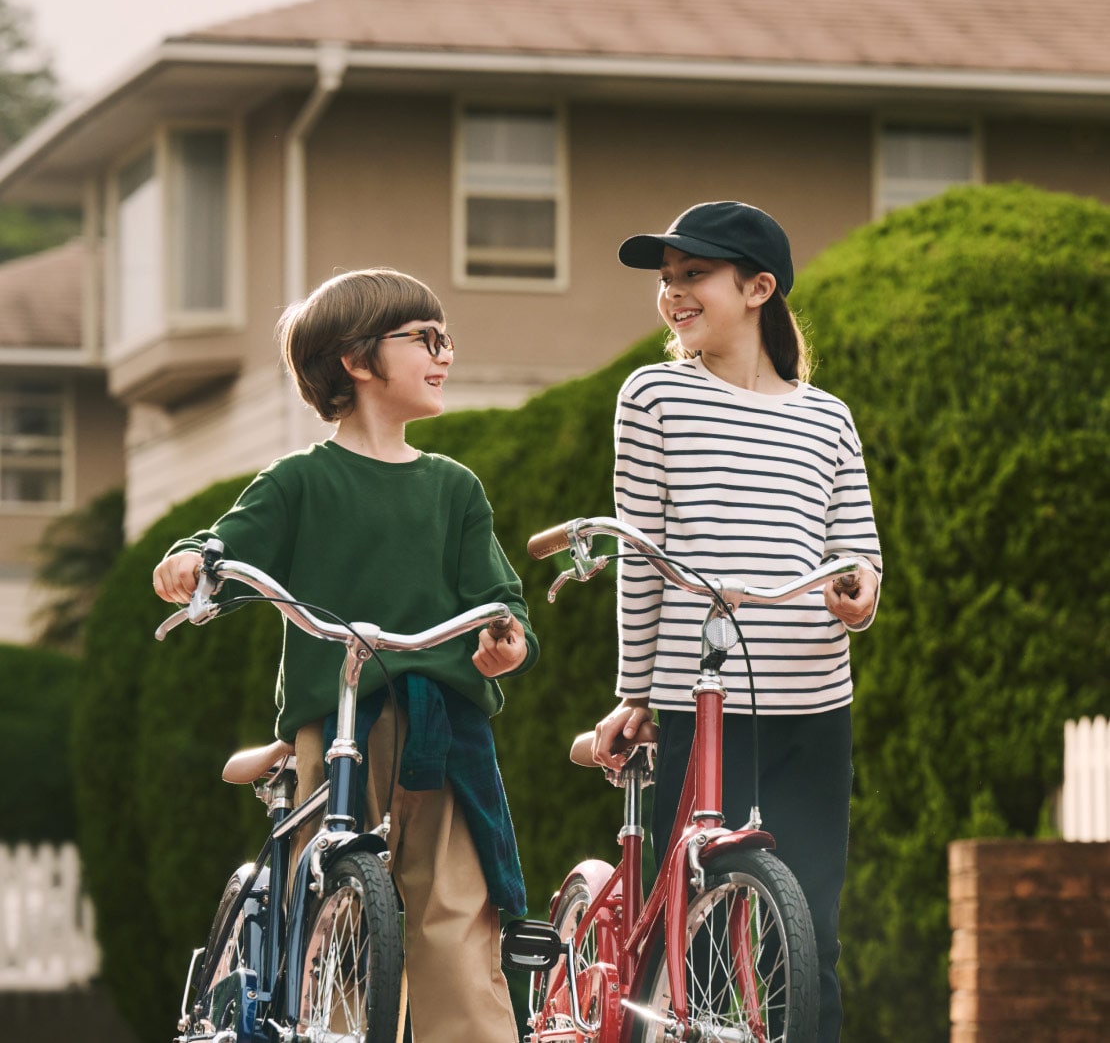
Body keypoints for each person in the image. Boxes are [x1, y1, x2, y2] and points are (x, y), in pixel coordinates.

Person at [152, 268, 539, 1042]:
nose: (445, 354)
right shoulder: (299, 482)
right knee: (327, 908)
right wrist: (195, 560)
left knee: (455, 908)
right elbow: (229, 546)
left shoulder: (454, 489)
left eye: (446, 339)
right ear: (358, 361)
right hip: (333, 721)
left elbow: (501, 598)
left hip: (442, 722)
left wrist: (506, 640)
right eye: (425, 340)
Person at [591, 202, 882, 1042]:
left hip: (817, 697)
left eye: (695, 275)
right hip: (703, 698)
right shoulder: (653, 397)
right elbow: (639, 556)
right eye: (667, 278)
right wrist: (633, 692)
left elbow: (858, 550)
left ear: (758, 288)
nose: (674, 293)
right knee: (707, 925)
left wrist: (860, 592)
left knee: (811, 932)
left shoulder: (828, 417)